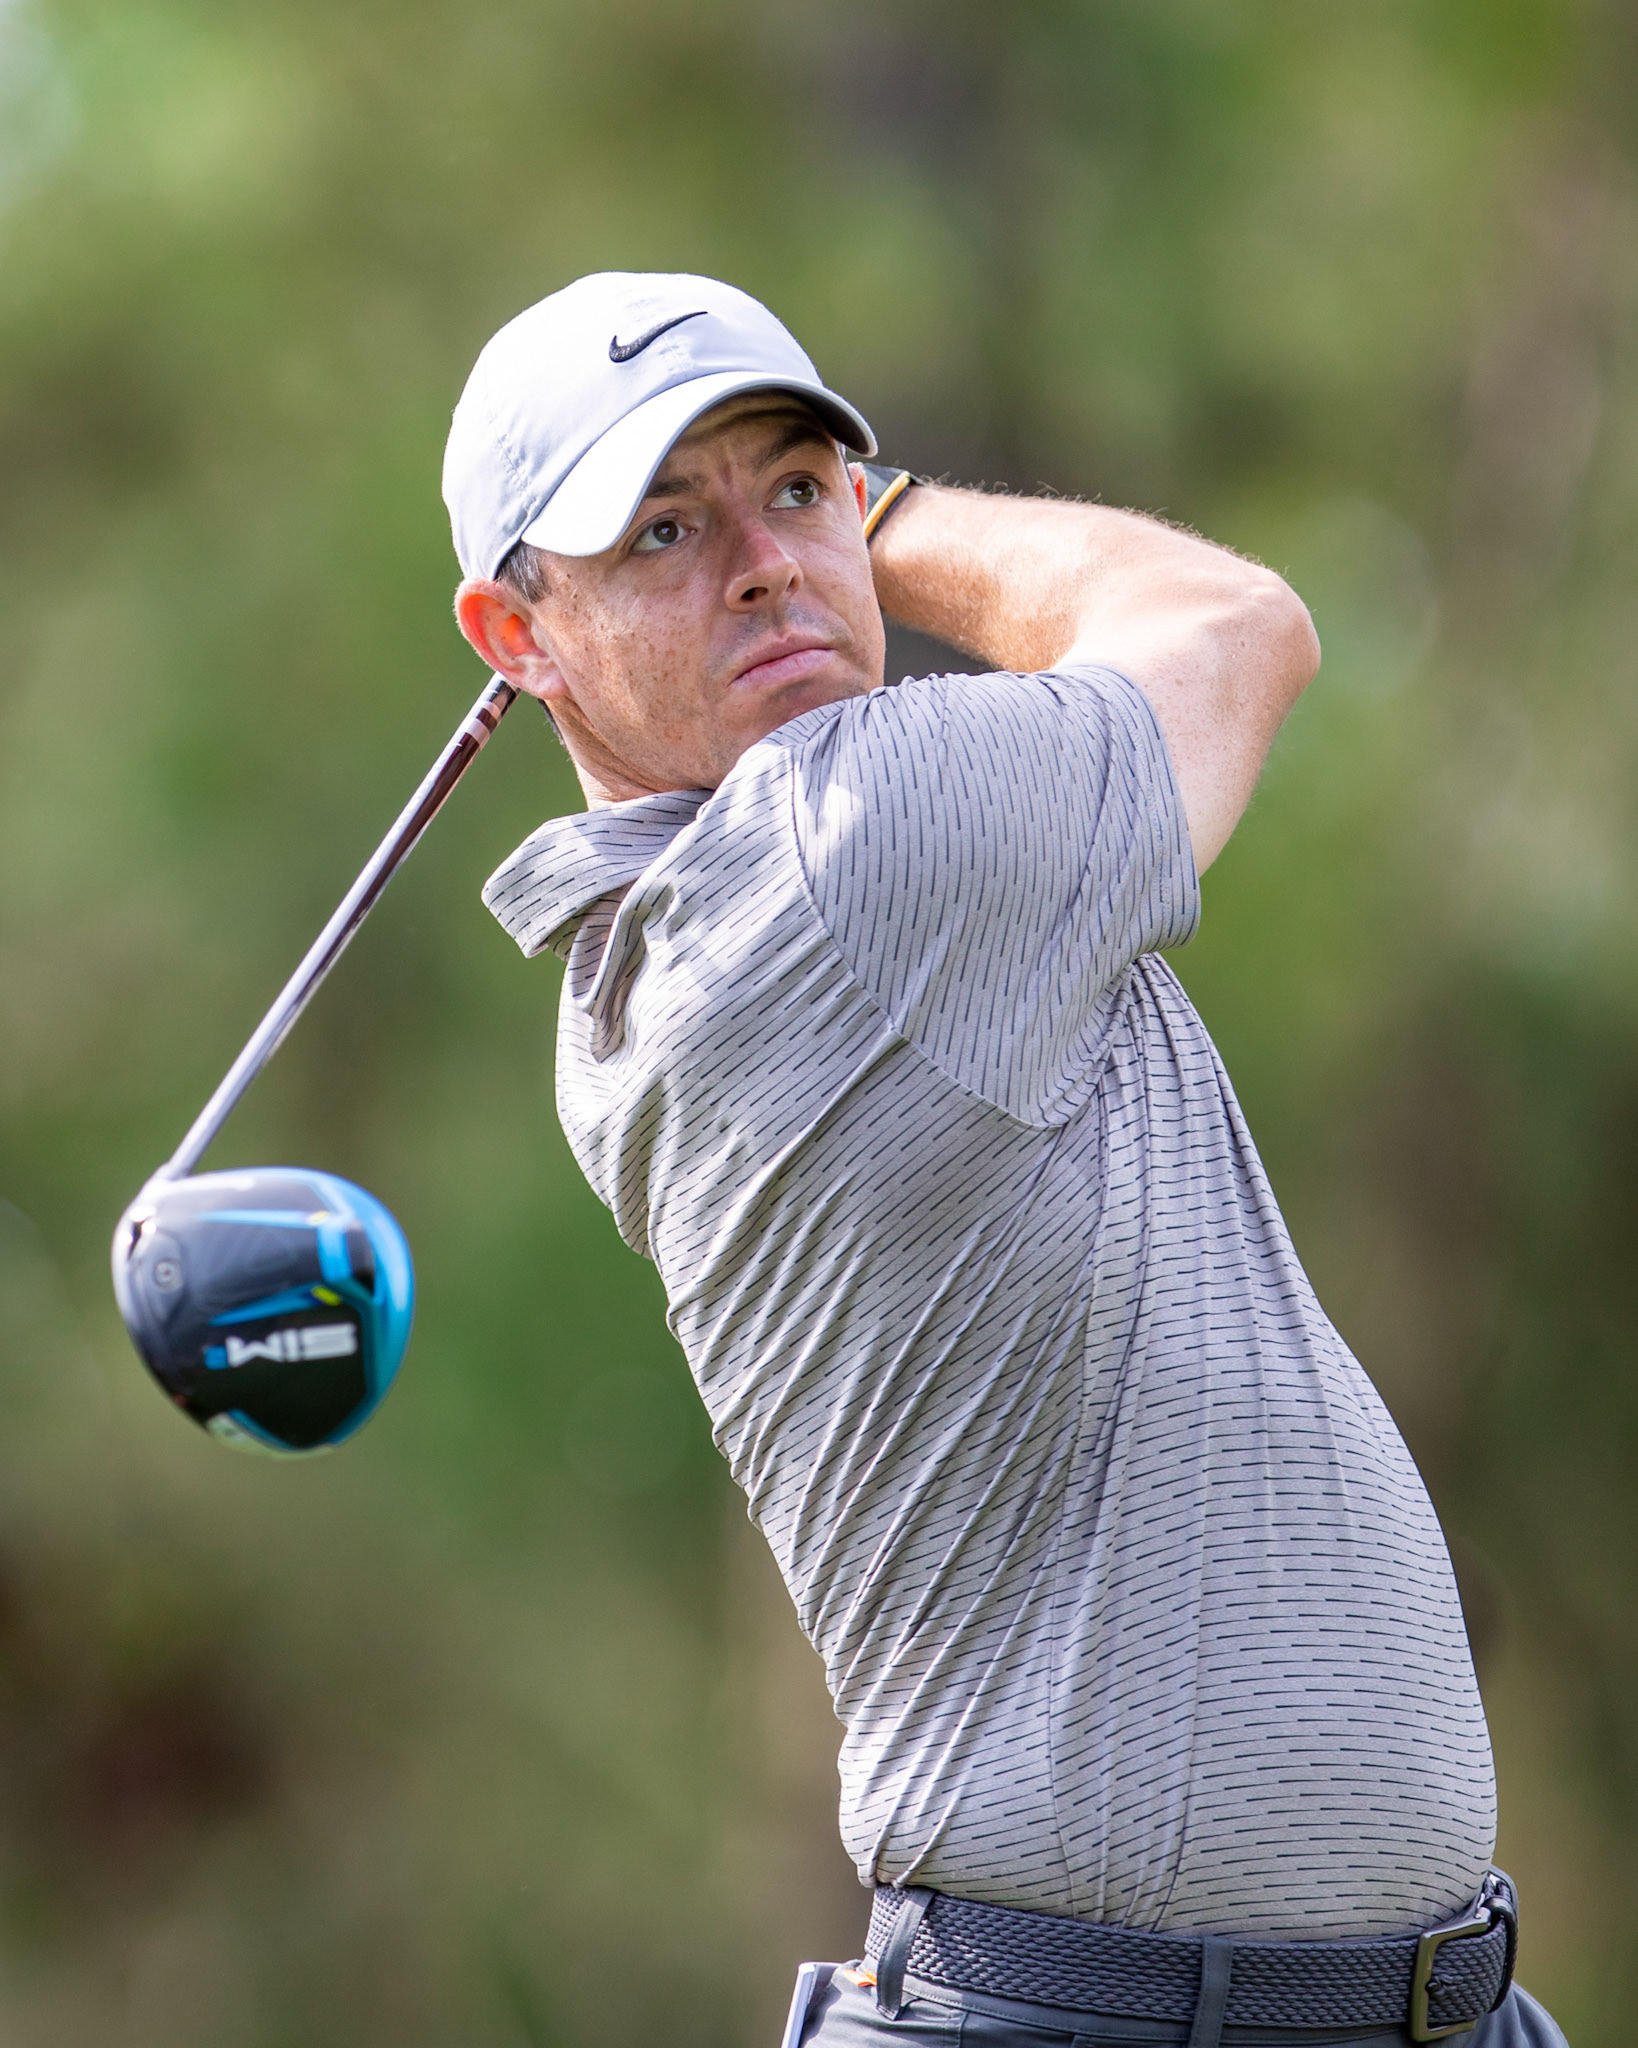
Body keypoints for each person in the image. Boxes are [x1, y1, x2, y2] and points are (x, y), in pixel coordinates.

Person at [442, 272, 1565, 2048]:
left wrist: (767, 535)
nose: (762, 561)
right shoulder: (844, 847)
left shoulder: (687, 935)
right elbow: (1233, 620)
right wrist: (892, 523)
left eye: (798, 487)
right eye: (663, 526)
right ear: (518, 634)